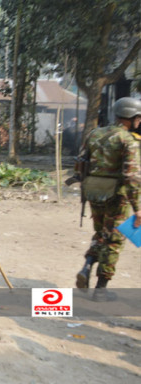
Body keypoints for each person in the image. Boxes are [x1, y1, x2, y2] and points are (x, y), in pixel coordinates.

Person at [76, 97, 141, 301]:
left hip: (94, 192)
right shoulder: (127, 140)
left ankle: (87, 265)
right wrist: (137, 208)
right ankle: (101, 289)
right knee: (114, 240)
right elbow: (131, 176)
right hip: (117, 197)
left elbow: (81, 163)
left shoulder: (95, 133)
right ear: (131, 118)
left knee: (100, 234)